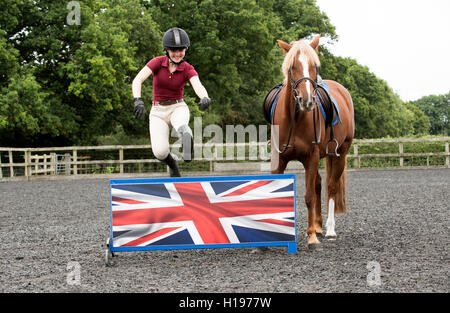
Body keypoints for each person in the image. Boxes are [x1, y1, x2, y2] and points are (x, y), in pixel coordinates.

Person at [132, 27, 211, 177]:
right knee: (160, 152)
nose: (177, 54)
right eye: (173, 50)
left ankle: (187, 140)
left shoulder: (187, 68)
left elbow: (198, 84)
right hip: (157, 112)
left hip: (178, 107)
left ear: (186, 50)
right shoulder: (157, 62)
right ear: (166, 50)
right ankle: (172, 164)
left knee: (181, 125)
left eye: (181, 50)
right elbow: (138, 80)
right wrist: (138, 100)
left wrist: (204, 97)